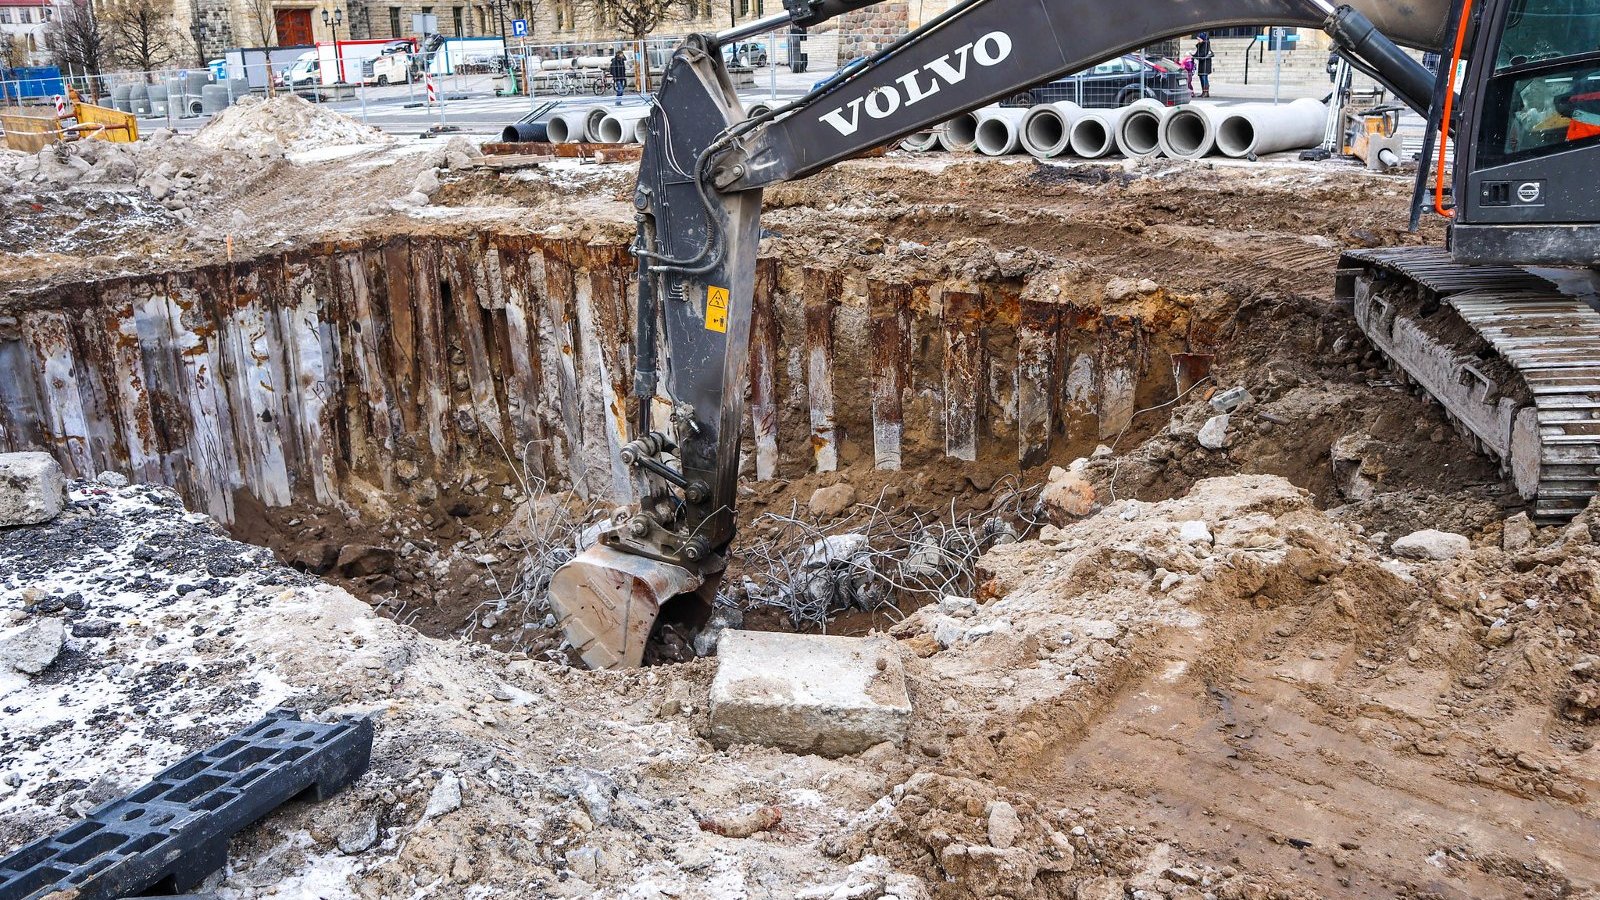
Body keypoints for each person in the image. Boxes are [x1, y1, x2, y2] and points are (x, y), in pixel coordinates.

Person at [1193, 32, 1214, 98]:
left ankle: (1206, 91)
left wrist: (1195, 56)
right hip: (1202, 63)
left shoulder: (1205, 45)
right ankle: (1204, 91)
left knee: (1204, 77)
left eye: (1199, 39)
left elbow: (1203, 54)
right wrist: (1193, 55)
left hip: (1205, 64)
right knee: (1202, 77)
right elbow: (1198, 53)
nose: (1198, 40)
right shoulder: (1201, 44)